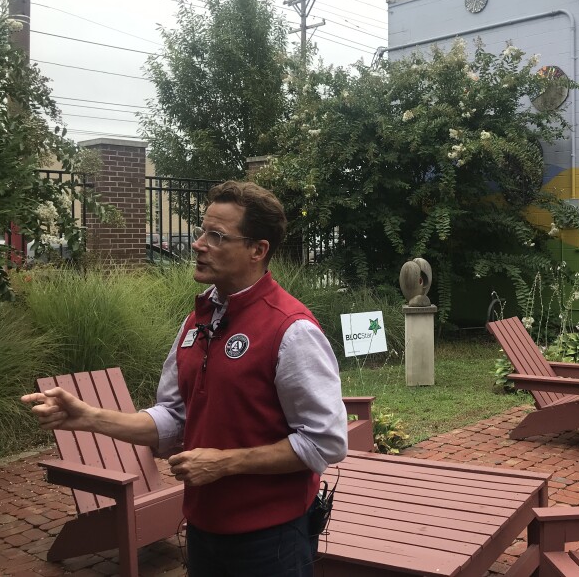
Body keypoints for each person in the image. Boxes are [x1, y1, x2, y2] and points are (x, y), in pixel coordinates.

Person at [22, 181, 348, 577]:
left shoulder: (291, 329)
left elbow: (324, 441)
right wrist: (87, 417)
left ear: (257, 250)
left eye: (217, 236)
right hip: (203, 528)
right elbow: (174, 419)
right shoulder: (196, 321)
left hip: (271, 540)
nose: (198, 244)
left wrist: (224, 464)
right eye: (201, 231)